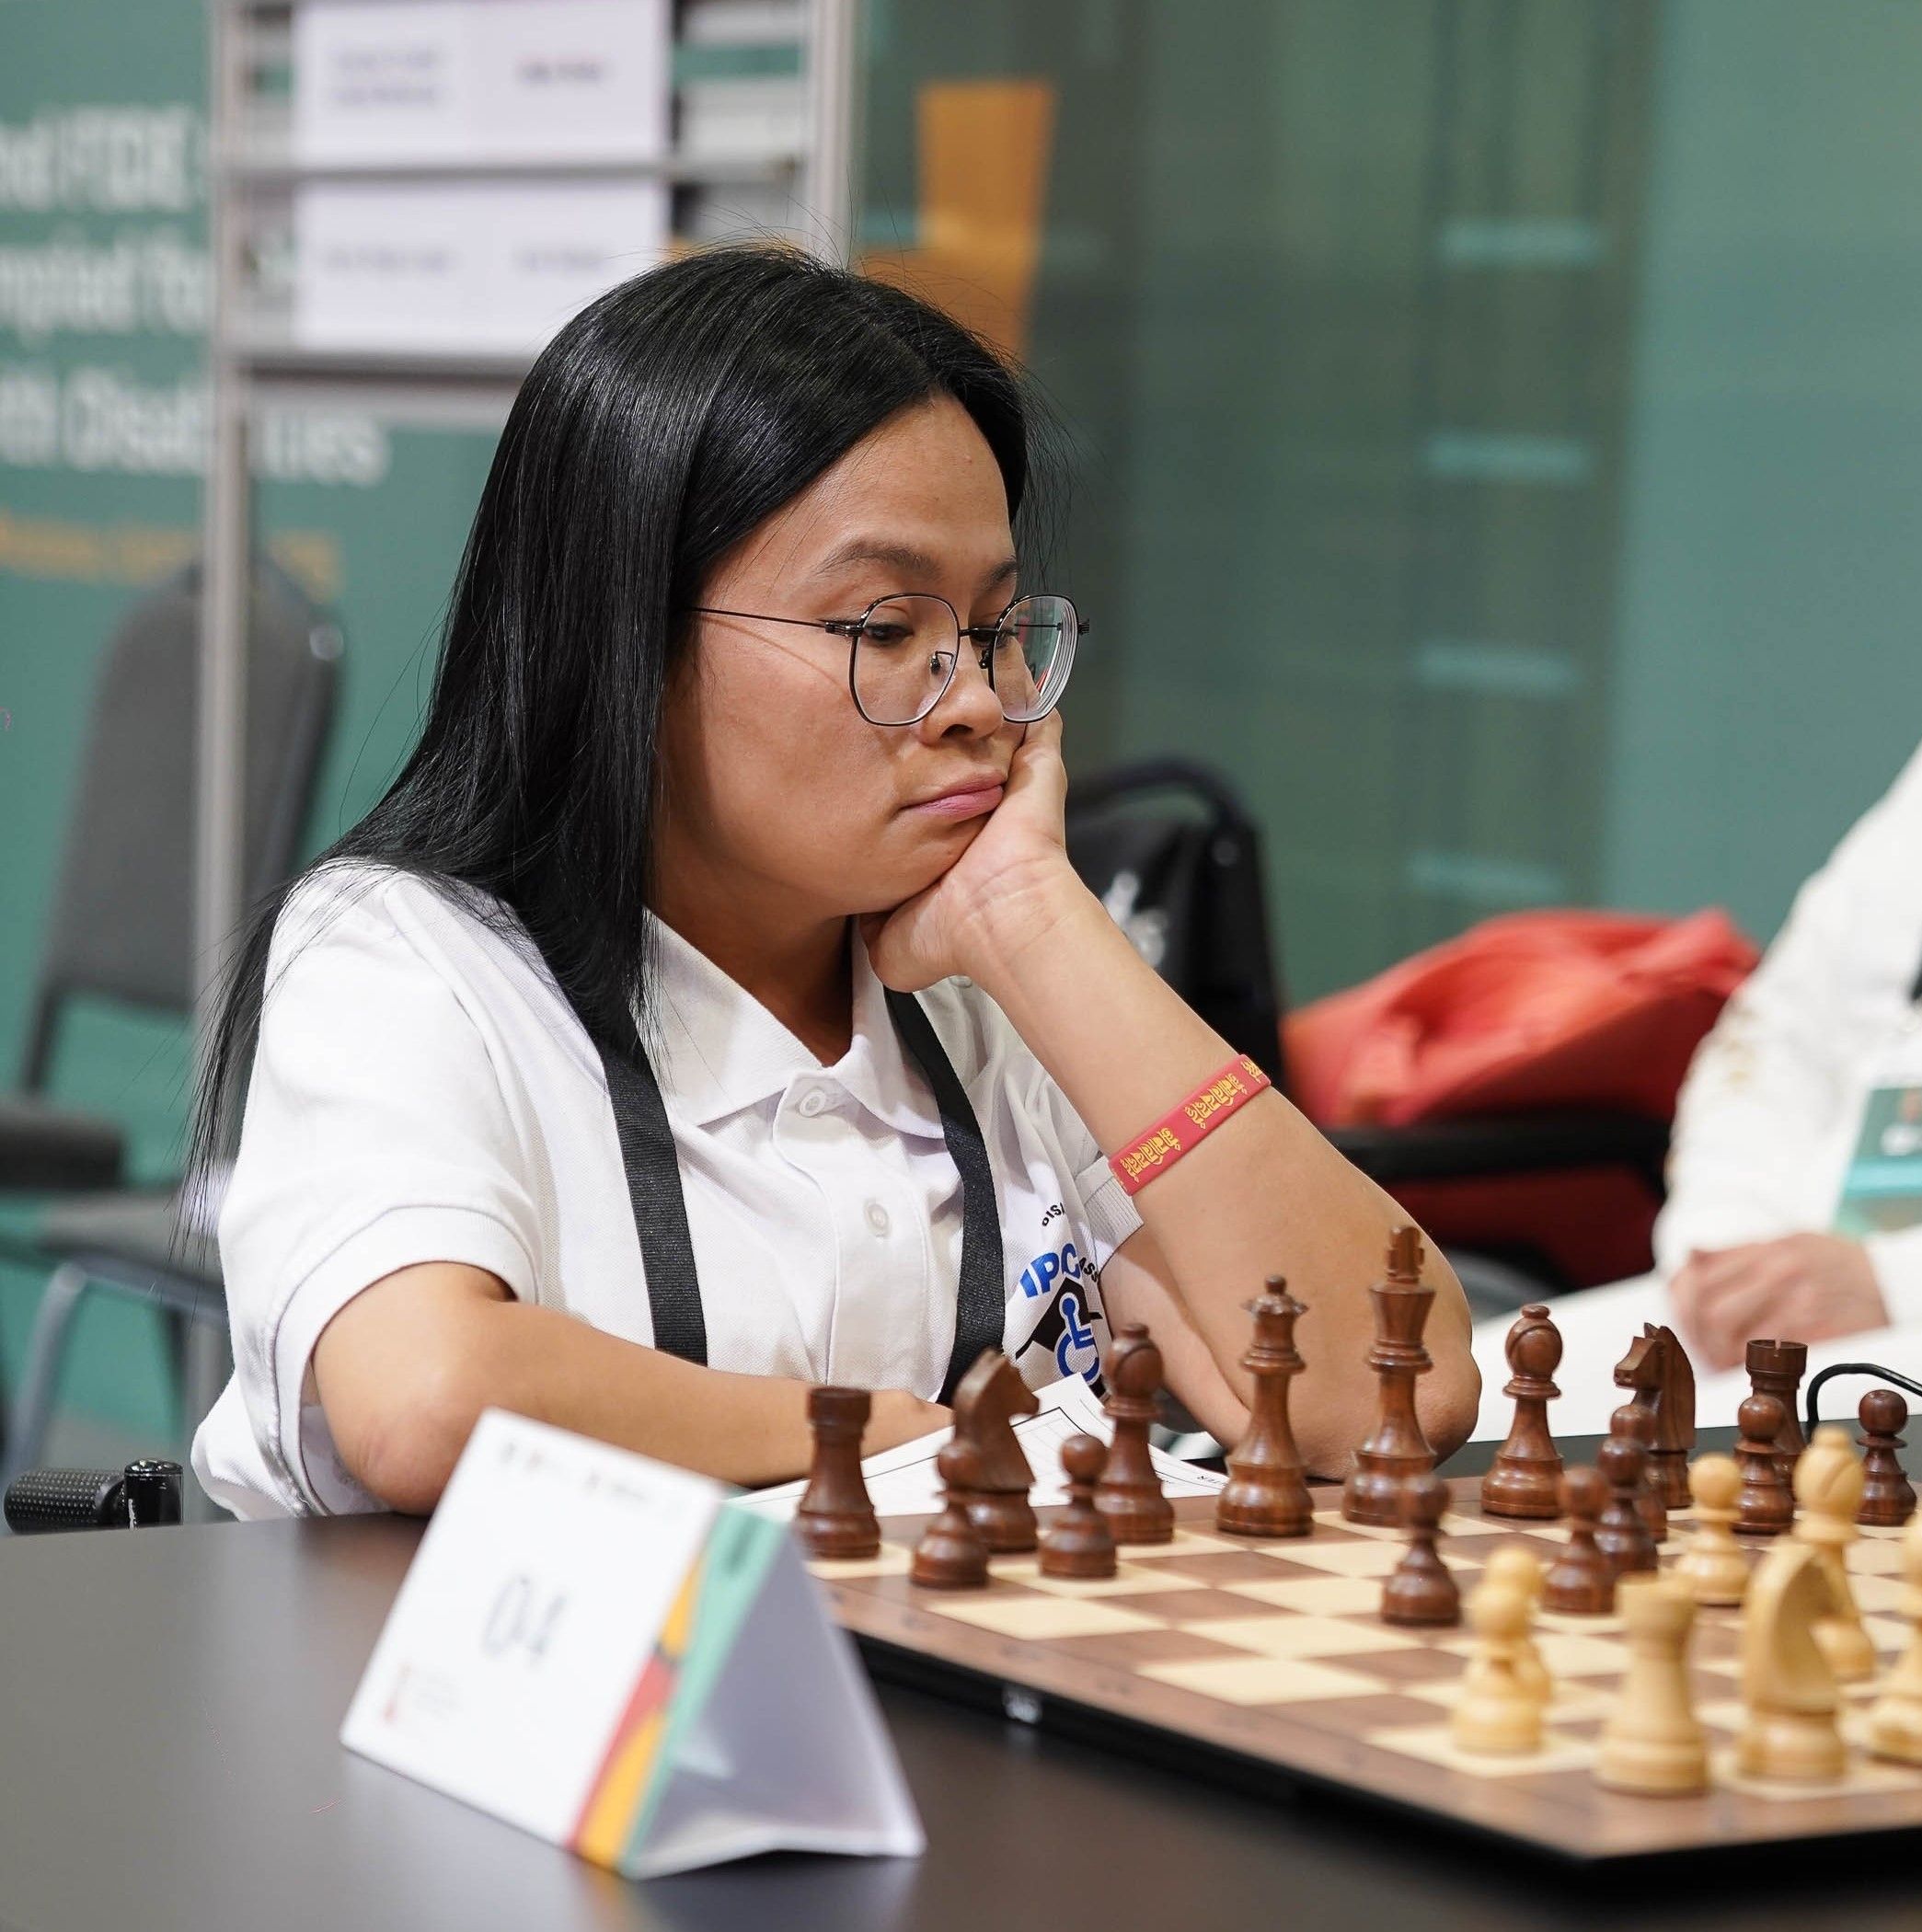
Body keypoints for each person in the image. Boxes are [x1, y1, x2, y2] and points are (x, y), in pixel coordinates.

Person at [185, 246, 1478, 1519]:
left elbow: (1396, 1398)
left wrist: (1037, 922)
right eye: (886, 629)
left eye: (994, 630)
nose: (978, 702)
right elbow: (425, 1398)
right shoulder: (410, 957)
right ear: (628, 641)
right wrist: (896, 1442)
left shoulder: (995, 993)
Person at [1472, 723, 1922, 1433]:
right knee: (1458, 1405)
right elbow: (1776, 1036)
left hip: (1903, 1306)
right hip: (1799, 1265)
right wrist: (1735, 1249)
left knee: (1692, 1448)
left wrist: (1896, 1285)